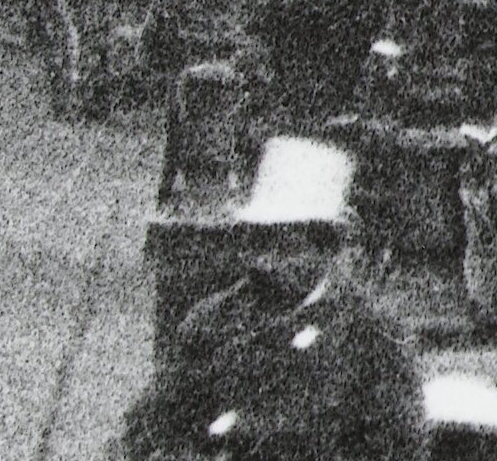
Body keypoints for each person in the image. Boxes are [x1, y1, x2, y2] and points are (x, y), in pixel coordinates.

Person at [115, 137, 429, 461]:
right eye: (262, 241)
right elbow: (149, 429)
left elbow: (400, 449)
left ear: (326, 246)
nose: (266, 260)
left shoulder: (372, 337)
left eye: (286, 245)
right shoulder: (212, 322)